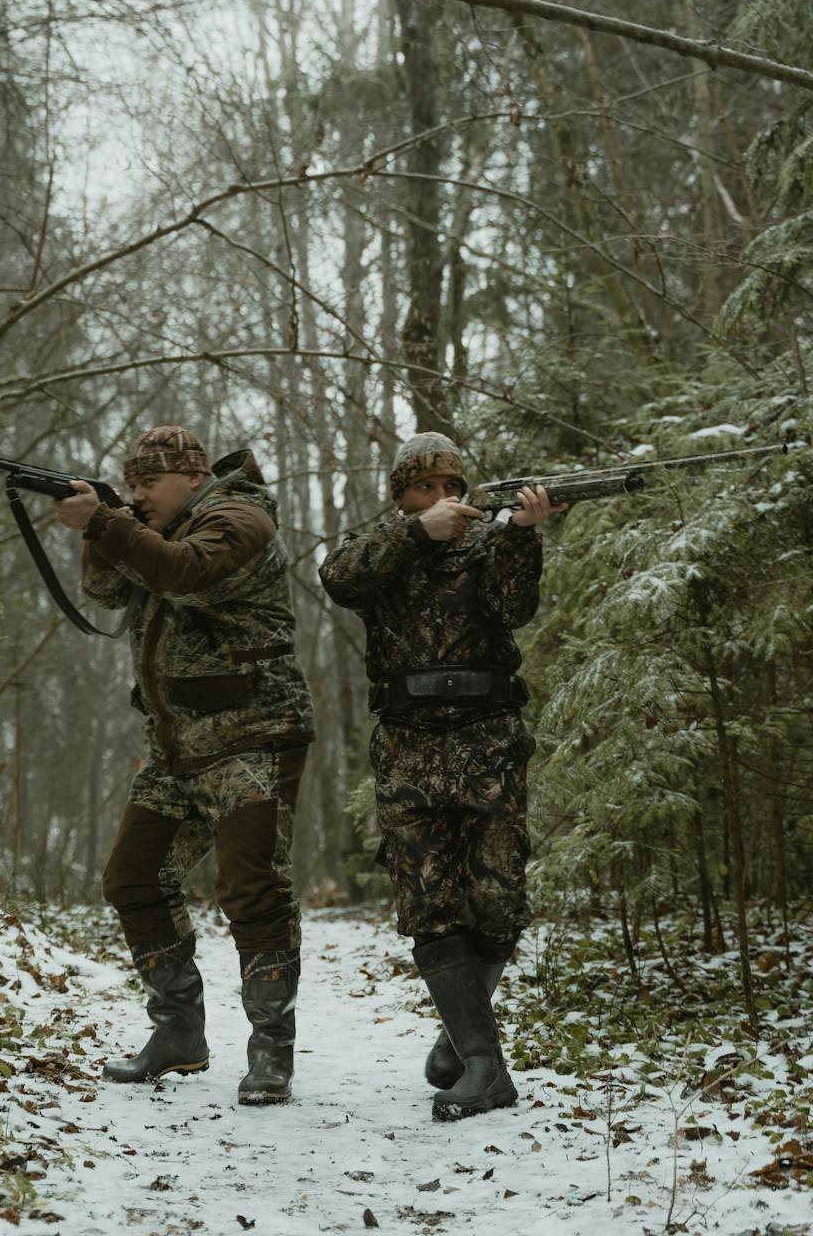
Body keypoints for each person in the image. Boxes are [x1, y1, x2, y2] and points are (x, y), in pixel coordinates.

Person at [54, 425, 314, 1106]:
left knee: (251, 891)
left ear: (194, 476)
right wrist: (103, 523)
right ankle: (178, 1036)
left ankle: (271, 1052)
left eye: (150, 483)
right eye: (131, 483)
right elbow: (110, 591)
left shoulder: (239, 518)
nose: (139, 495)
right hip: (176, 744)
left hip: (252, 734)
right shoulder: (154, 527)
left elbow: (187, 574)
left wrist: (110, 519)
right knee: (133, 879)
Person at [318, 432, 562, 1121]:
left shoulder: (488, 543)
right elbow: (340, 579)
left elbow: (514, 608)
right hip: (409, 744)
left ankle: (464, 1037)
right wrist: (417, 534)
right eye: (425, 488)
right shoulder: (380, 547)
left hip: (488, 740)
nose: (444, 499)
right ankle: (486, 1067)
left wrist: (521, 534)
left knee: (498, 896)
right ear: (401, 496)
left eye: (453, 487)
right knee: (429, 900)